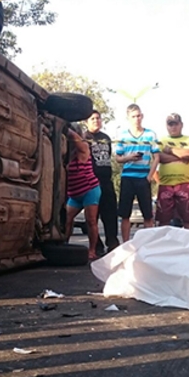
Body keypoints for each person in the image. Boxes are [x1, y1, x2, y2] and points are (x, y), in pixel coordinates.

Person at [114, 104, 160, 241]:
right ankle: (126, 243)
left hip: (143, 178)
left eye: (139, 116)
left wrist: (149, 176)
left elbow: (156, 157)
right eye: (133, 116)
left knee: (148, 215)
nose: (137, 119)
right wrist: (129, 158)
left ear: (142, 116)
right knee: (125, 215)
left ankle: (147, 244)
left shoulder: (150, 134)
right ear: (128, 118)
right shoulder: (122, 135)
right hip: (127, 177)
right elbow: (118, 158)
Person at [64, 127, 101, 260]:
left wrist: (64, 128)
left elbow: (74, 137)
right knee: (67, 220)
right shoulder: (67, 154)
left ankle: (92, 250)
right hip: (74, 194)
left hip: (89, 190)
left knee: (91, 220)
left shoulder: (84, 147)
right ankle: (64, 245)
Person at [85, 110, 120, 255]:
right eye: (92, 119)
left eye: (98, 118)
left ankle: (112, 242)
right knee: (92, 217)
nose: (96, 121)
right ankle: (96, 245)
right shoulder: (84, 137)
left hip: (106, 181)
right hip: (91, 182)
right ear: (86, 122)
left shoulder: (106, 137)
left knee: (110, 214)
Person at [156, 113, 189, 229]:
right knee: (163, 220)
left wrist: (171, 150)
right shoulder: (162, 140)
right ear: (166, 126)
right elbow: (160, 158)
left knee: (188, 219)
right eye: (170, 124)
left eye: (176, 124)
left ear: (181, 125)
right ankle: (164, 241)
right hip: (165, 184)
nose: (173, 127)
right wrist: (180, 156)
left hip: (184, 184)